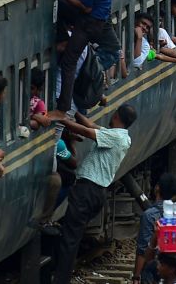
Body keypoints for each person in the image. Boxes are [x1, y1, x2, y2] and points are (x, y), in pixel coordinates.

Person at [46, 105, 136, 284]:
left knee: (70, 238)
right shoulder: (121, 136)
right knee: (71, 235)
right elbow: (91, 125)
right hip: (94, 192)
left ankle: (60, 280)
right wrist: (74, 111)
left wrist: (61, 119)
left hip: (88, 191)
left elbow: (87, 132)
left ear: (117, 115)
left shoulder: (115, 137)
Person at [56, 0, 119, 114]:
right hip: (97, 19)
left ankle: (63, 108)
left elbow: (86, 8)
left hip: (89, 22)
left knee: (69, 62)